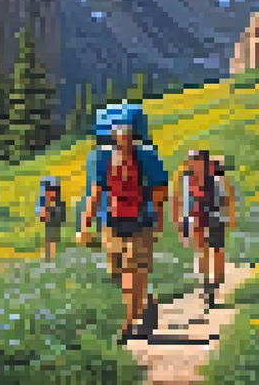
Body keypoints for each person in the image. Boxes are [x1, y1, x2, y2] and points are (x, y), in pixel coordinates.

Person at [78, 109, 168, 343]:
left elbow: (160, 191)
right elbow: (95, 193)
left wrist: (156, 219)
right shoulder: (101, 159)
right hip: (111, 223)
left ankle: (129, 324)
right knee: (116, 272)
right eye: (118, 133)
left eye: (126, 133)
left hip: (141, 223)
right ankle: (147, 303)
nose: (122, 138)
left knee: (132, 271)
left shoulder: (147, 157)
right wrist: (85, 223)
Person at [172, 149, 236, 308]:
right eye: (192, 160)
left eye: (197, 159)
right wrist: (180, 221)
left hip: (215, 216)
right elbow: (180, 200)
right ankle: (207, 283)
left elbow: (227, 198)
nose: (194, 163)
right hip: (196, 217)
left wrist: (230, 217)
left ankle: (217, 280)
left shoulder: (217, 178)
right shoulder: (186, 179)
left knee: (217, 250)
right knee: (202, 251)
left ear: (205, 161)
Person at [36, 176, 65, 261]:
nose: (51, 193)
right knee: (49, 237)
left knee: (53, 237)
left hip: (54, 218)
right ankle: (49, 255)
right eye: (49, 190)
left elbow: (61, 212)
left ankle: (52, 256)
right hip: (49, 218)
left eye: (53, 190)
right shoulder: (44, 200)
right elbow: (41, 211)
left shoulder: (58, 201)